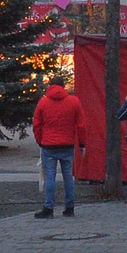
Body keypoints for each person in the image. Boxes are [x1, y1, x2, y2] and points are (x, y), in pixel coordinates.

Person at [32, 78, 83, 218]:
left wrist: (40, 141)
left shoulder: (43, 102)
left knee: (50, 176)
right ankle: (70, 207)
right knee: (68, 176)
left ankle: (48, 208)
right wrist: (82, 144)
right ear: (63, 86)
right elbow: (81, 125)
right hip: (67, 144)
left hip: (49, 145)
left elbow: (36, 125)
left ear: (50, 86)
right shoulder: (74, 101)